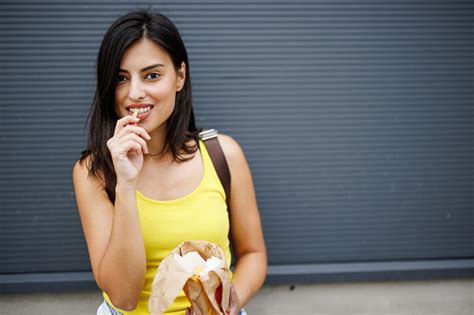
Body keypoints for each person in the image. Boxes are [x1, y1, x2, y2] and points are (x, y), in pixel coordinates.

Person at [72, 9, 267, 315]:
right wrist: (126, 183)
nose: (135, 93)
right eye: (121, 78)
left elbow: (253, 254)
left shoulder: (223, 154)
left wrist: (228, 303)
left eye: (152, 75)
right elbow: (123, 297)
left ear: (180, 76)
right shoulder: (93, 172)